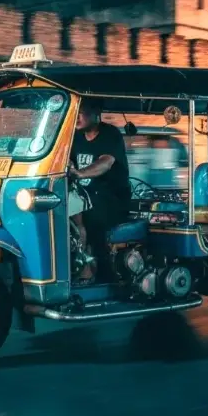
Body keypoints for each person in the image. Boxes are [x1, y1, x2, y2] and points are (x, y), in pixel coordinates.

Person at [68, 101, 131, 284]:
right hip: (84, 196)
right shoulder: (76, 137)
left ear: (96, 111)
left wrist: (81, 173)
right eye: (75, 113)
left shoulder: (110, 135)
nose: (77, 117)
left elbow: (106, 162)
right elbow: (67, 160)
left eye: (81, 112)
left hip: (112, 199)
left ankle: (101, 273)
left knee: (91, 217)